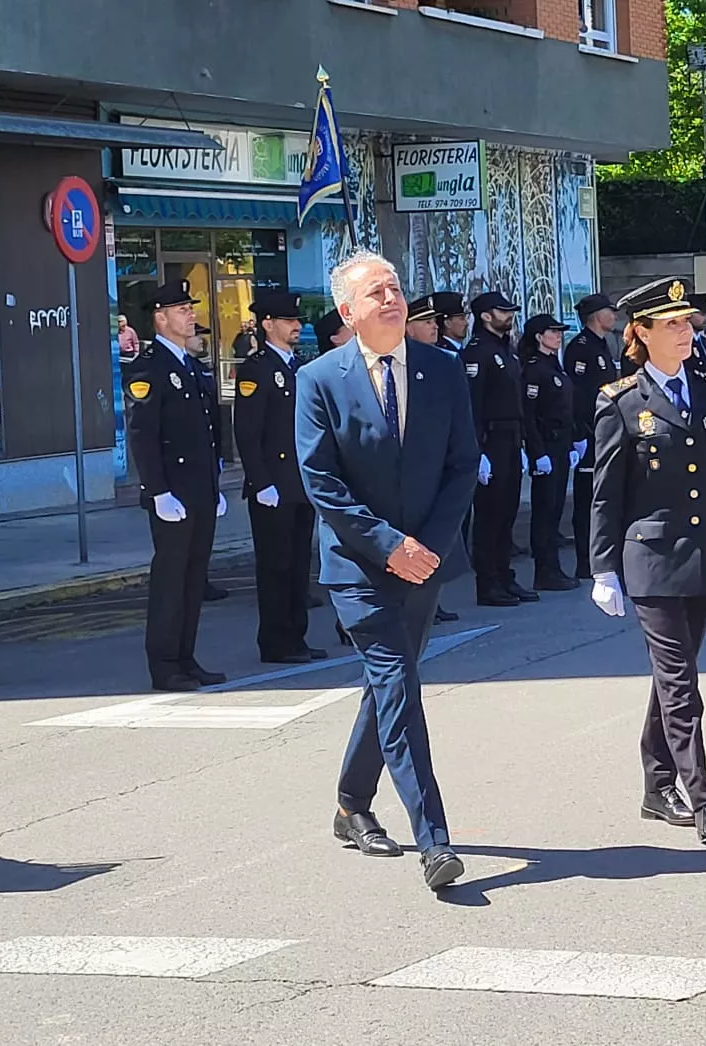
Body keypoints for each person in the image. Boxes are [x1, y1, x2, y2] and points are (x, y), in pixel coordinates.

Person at [297, 251, 479, 892]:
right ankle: (436, 840)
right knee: (399, 686)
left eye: (396, 288)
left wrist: (425, 545)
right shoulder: (319, 379)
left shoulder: (441, 370)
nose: (393, 300)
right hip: (358, 565)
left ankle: (351, 804)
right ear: (349, 311)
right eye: (376, 293)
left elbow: (462, 465)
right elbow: (322, 482)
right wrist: (386, 544)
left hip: (424, 561)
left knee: (387, 689)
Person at [588, 278, 706, 842]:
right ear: (642, 332)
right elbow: (606, 492)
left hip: (705, 551)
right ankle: (703, 796)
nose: (686, 331)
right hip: (651, 557)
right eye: (673, 324)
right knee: (680, 681)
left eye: (687, 322)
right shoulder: (621, 400)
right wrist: (603, 568)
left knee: (673, 678)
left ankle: (656, 786)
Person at [126, 280, 227, 692]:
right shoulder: (148, 368)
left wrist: (214, 482)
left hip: (199, 489)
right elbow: (143, 435)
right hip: (172, 493)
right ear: (160, 318)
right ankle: (165, 664)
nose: (191, 315)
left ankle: (186, 657)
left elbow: (206, 431)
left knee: (193, 578)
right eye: (182, 309)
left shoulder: (191, 365)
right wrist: (157, 491)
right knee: (170, 581)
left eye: (190, 308)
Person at [234, 292, 326, 664]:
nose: (297, 326)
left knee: (299, 564)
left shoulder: (297, 366)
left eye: (297, 320)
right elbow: (248, 431)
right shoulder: (257, 369)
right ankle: (275, 641)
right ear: (267, 324)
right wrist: (260, 481)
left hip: (300, 482)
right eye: (288, 320)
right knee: (276, 566)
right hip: (273, 485)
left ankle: (296, 637)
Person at [463, 290, 536, 606]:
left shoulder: (506, 351)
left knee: (507, 513)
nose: (509, 316)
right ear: (485, 316)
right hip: (490, 440)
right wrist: (477, 450)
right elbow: (473, 404)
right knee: (489, 515)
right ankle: (487, 583)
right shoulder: (478, 352)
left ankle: (505, 576)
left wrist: (521, 443)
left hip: (509, 437)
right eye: (502, 311)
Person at [518, 313, 578, 591]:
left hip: (560, 444)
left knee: (554, 509)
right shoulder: (534, 369)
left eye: (559, 332)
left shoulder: (554, 366)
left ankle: (553, 567)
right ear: (539, 336)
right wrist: (536, 451)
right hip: (546, 444)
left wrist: (574, 441)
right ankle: (545, 570)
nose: (558, 336)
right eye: (552, 332)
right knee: (544, 510)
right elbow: (529, 414)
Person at [566, 293, 621, 579]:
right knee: (588, 499)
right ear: (596, 315)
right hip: (590, 432)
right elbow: (578, 395)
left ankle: (603, 555)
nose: (613, 316)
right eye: (609, 312)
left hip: (606, 431)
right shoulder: (581, 347)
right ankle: (585, 561)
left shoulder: (602, 345)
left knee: (605, 495)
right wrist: (580, 431)